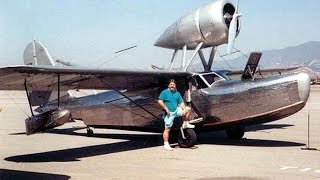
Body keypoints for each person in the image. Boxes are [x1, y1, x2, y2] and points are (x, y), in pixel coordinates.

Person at [158, 79, 194, 151]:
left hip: (176, 110)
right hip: (169, 113)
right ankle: (166, 144)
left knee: (188, 109)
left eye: (173, 84)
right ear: (168, 85)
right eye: (171, 84)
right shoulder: (165, 92)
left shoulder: (177, 93)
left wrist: (183, 109)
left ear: (175, 86)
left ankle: (185, 123)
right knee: (167, 129)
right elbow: (159, 101)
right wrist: (166, 109)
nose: (172, 86)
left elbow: (181, 103)